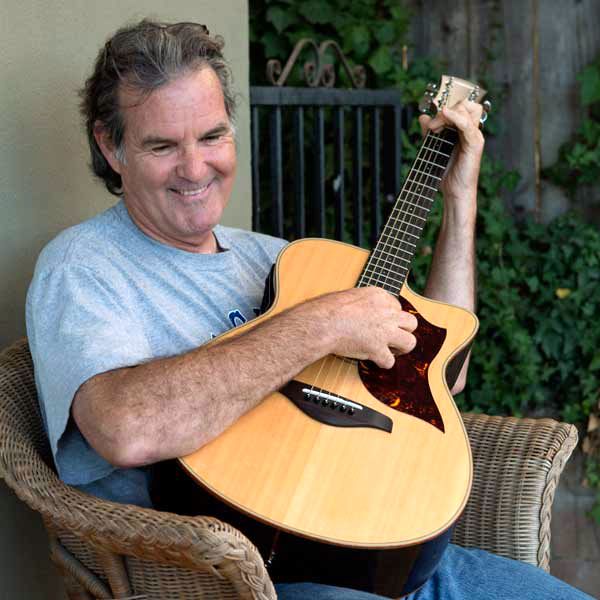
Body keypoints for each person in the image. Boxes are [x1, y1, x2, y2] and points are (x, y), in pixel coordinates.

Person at [26, 19, 591, 600]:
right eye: (163, 146)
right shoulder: (83, 265)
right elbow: (125, 428)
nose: (195, 169)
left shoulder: (280, 258)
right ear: (110, 146)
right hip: (248, 579)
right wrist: (323, 323)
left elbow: (444, 367)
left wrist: (459, 197)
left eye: (212, 137)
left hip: (390, 550)